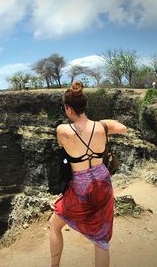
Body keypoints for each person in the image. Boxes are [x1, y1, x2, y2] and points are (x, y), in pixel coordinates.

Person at [48, 81, 127, 267]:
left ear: (68, 109)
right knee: (101, 240)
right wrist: (104, 125)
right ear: (85, 106)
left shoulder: (63, 131)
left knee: (55, 224)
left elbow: (62, 147)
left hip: (81, 186)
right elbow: (122, 128)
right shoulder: (102, 127)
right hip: (103, 182)